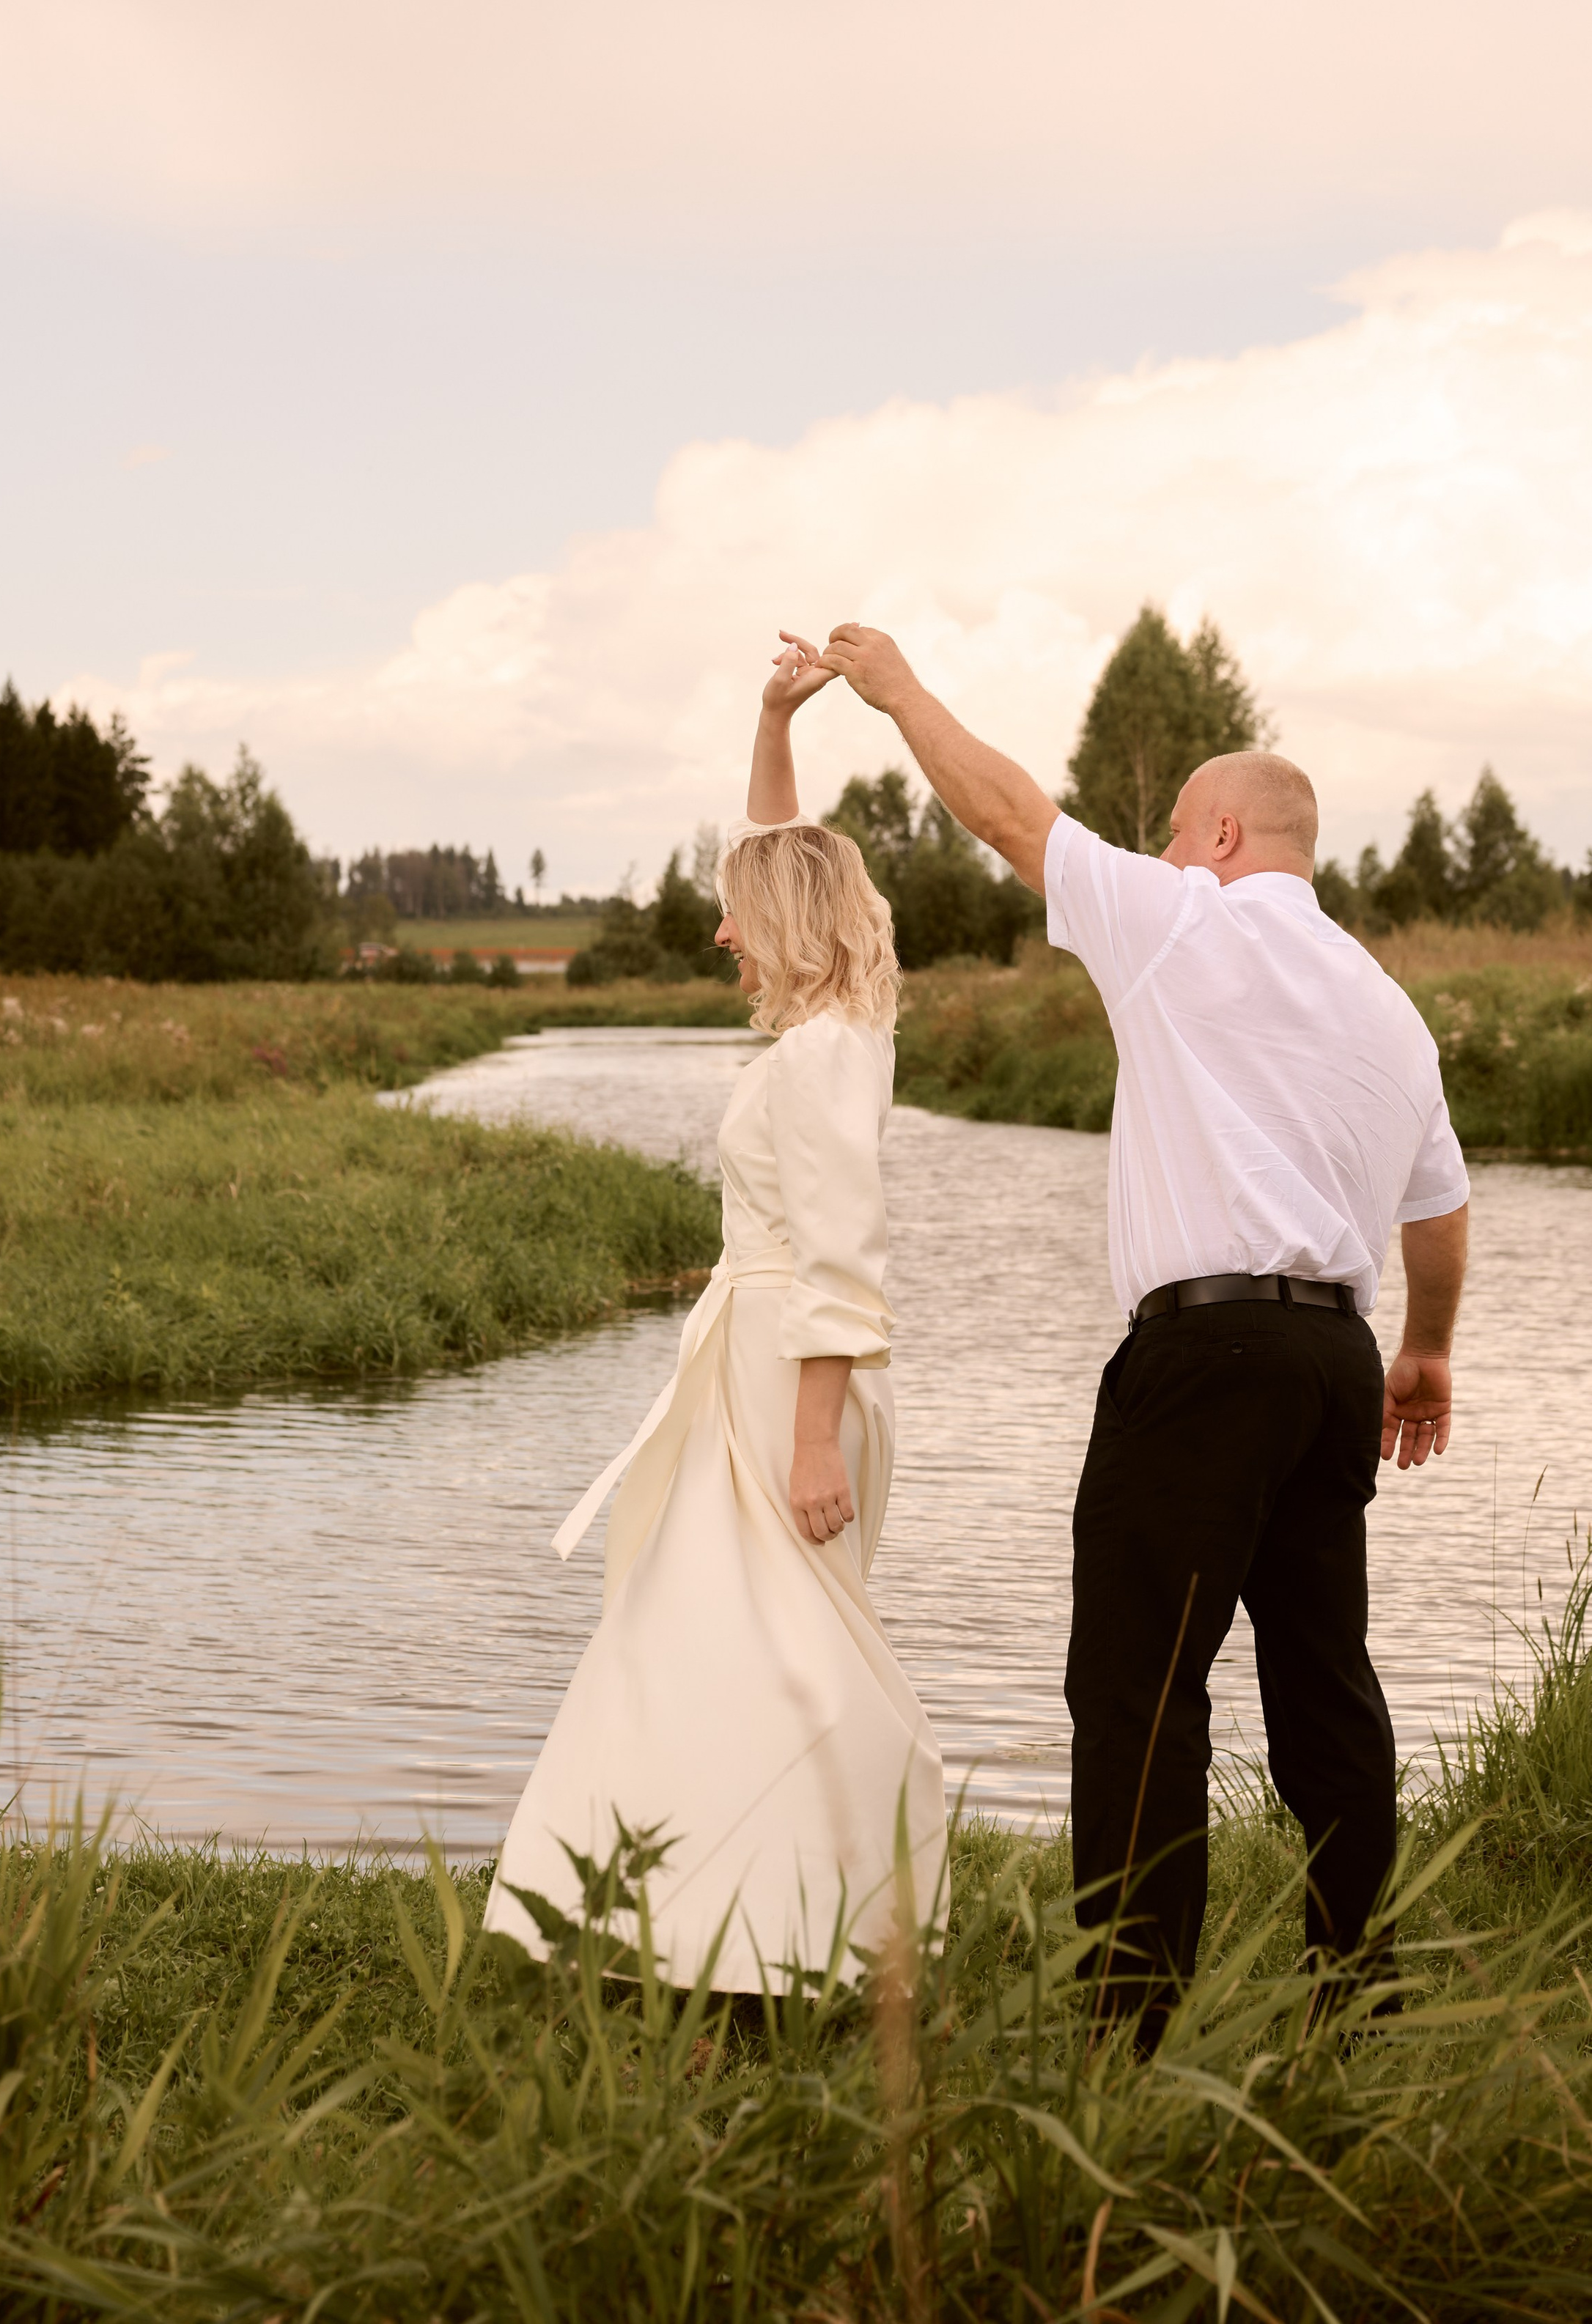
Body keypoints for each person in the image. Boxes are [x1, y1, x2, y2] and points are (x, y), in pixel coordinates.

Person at [817, 621, 1470, 2038]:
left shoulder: (1186, 921)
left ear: (1222, 832)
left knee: (1138, 1693)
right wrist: (1427, 1351)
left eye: (1173, 831)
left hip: (1205, 1359)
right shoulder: (1390, 1006)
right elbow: (1442, 1205)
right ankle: (1353, 1990)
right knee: (1326, 1689)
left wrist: (898, 691)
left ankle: (1128, 2031)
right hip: (1334, 1363)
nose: (1163, 853)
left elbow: (1003, 812)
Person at [484, 634, 946, 1992]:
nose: (721, 931)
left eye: (738, 915)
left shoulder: (825, 1062)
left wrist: (812, 1442)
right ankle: (701, 1923)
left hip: (788, 1387)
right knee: (703, 1631)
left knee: (789, 1646)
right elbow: (778, 842)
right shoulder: (830, 1035)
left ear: (786, 927)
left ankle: (820, 1929)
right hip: (750, 1370)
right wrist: (770, 718)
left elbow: (842, 1267)